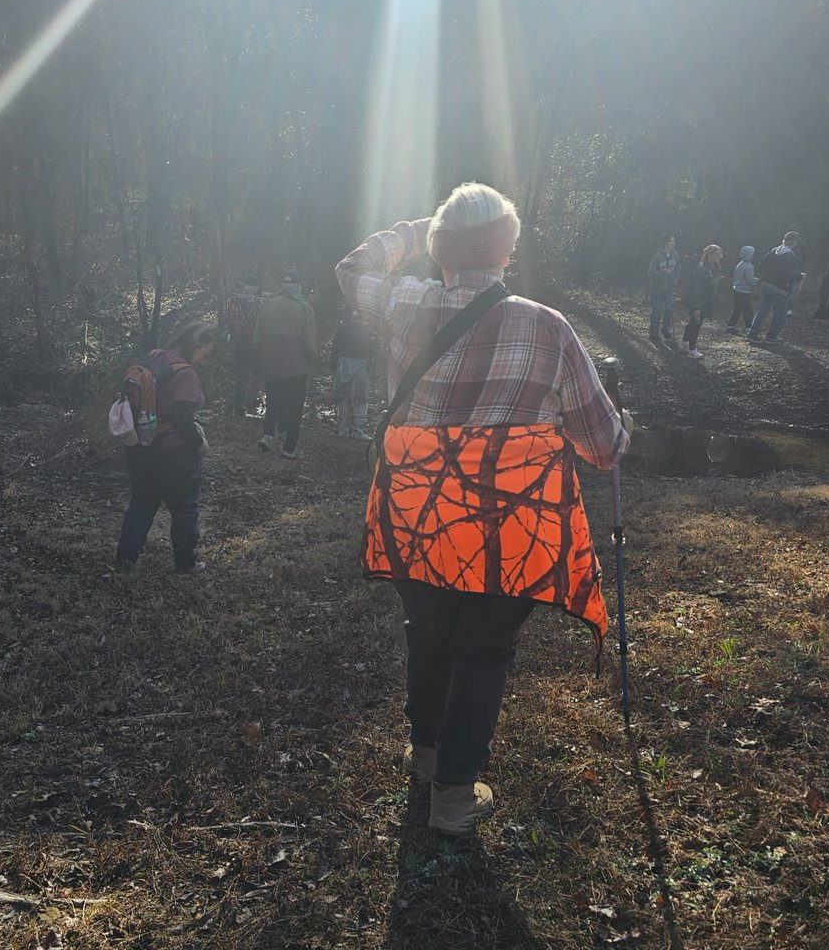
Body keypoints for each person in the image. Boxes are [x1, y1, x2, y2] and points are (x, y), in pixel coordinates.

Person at [336, 182, 630, 838]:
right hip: (510, 531)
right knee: (483, 650)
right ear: (508, 251)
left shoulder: (407, 305)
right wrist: (624, 421)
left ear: (442, 250)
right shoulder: (546, 327)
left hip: (421, 517)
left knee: (428, 634)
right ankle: (452, 799)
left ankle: (426, 760)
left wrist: (418, 230)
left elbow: (352, 268)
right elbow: (603, 449)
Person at [113, 322, 218, 576]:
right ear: (195, 346)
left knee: (141, 505)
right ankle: (186, 564)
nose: (206, 359)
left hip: (141, 445)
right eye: (206, 352)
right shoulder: (187, 374)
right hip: (175, 454)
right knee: (184, 509)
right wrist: (200, 444)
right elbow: (181, 417)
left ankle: (123, 565)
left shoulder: (154, 357)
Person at [254, 271, 317, 459]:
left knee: (273, 401)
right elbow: (309, 342)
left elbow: (257, 337)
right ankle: (289, 447)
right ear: (298, 287)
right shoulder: (304, 308)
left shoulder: (267, 304)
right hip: (295, 367)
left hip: (271, 364)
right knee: (295, 406)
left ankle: (267, 435)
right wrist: (312, 358)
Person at [747, 232, 804, 343]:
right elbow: (789, 274)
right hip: (780, 289)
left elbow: (761, 264)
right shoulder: (790, 255)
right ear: (795, 242)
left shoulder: (774, 250)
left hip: (767, 285)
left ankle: (752, 334)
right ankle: (772, 336)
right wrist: (799, 276)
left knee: (762, 312)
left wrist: (765, 277)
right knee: (780, 314)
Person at [331, 308, 375, 438]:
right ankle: (358, 431)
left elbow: (335, 349)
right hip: (361, 366)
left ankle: (343, 429)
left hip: (344, 365)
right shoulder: (367, 331)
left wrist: (333, 367)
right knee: (360, 400)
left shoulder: (342, 330)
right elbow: (372, 351)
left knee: (344, 399)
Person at [224, 274, 262, 417]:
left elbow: (229, 321)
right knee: (260, 373)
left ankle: (237, 405)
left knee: (241, 375)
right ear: (255, 287)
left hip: (238, 344)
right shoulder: (259, 302)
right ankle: (248, 401)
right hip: (253, 344)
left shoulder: (234, 300)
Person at [681, 244, 723, 359]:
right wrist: (696, 308)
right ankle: (692, 350)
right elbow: (697, 290)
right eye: (718, 254)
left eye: (720, 254)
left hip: (701, 301)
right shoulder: (703, 268)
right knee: (696, 324)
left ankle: (684, 342)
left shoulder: (709, 267)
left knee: (693, 322)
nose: (720, 257)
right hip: (697, 302)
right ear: (710, 255)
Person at [646, 234, 680, 343]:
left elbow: (678, 270)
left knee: (668, 310)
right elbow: (651, 273)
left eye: (673, 241)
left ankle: (666, 330)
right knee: (656, 310)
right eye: (670, 241)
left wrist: (675, 280)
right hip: (657, 288)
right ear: (665, 242)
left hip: (669, 288)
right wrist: (663, 272)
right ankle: (653, 334)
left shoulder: (676, 255)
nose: (672, 243)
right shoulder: (657, 256)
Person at [725, 246, 756, 332]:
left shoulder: (739, 264)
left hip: (737, 290)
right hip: (745, 291)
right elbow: (750, 281)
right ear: (750, 255)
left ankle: (730, 326)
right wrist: (755, 281)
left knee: (737, 309)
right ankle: (749, 328)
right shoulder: (749, 266)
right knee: (748, 311)